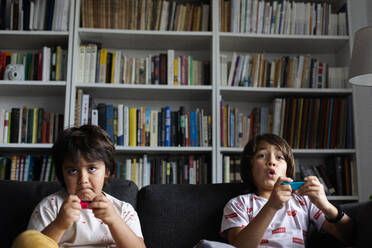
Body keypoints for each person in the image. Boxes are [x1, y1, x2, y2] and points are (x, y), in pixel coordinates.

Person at [12, 125, 146, 248]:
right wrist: (59, 224)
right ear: (62, 174)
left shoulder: (123, 210)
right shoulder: (50, 207)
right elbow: (31, 244)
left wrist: (115, 221)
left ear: (107, 171)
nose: (83, 180)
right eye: (73, 171)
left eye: (92, 168)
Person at [220, 133, 354, 248]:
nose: (271, 161)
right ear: (250, 167)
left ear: (287, 170)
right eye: (261, 155)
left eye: (279, 157)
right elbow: (239, 245)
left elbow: (350, 236)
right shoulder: (238, 204)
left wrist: (325, 205)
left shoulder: (303, 200)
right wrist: (271, 206)